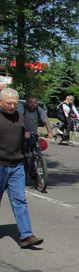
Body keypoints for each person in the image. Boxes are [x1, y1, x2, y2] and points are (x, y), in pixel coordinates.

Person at [0, 88, 44, 248]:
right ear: (1, 102)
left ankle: (26, 236)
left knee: (20, 200)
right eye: (9, 103)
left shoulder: (19, 116)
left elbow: (23, 132)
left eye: (15, 103)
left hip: (16, 166)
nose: (12, 106)